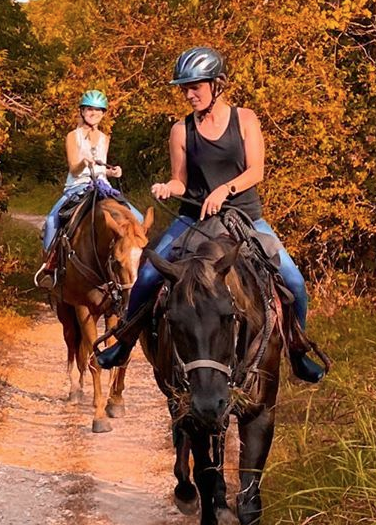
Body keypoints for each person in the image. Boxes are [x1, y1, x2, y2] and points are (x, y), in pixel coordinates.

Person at [95, 47, 324, 382]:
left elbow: (256, 170)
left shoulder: (245, 119)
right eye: (184, 88)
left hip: (244, 216)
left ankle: (298, 350)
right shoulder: (180, 130)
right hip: (194, 219)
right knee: (146, 277)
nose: (189, 94)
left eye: (196, 87)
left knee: (294, 282)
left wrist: (224, 190)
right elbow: (180, 180)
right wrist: (166, 187)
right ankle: (124, 343)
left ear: (217, 84)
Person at [34, 89, 140, 289]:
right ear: (82, 111)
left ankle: (134, 268)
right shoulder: (73, 136)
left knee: (138, 219)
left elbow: (101, 168)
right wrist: (84, 162)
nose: (94, 114)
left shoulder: (104, 138)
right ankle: (50, 268)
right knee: (51, 222)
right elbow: (74, 168)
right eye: (90, 109)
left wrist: (113, 172)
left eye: (99, 111)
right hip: (78, 186)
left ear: (103, 113)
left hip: (103, 187)